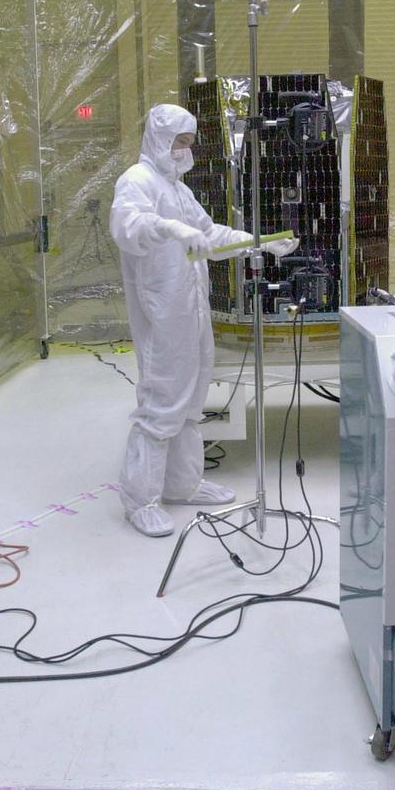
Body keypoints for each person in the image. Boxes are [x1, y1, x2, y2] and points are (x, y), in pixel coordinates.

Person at [110, 103, 298, 537]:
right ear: (159, 138)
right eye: (179, 142)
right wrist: (169, 230)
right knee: (161, 403)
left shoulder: (178, 189)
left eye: (190, 143)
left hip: (191, 309)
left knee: (191, 401)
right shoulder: (138, 181)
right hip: (161, 312)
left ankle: (182, 483)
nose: (185, 151)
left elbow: (210, 235)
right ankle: (140, 501)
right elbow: (127, 225)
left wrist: (258, 244)